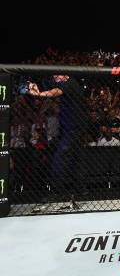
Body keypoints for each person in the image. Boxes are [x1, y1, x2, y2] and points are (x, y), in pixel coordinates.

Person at [27, 75, 88, 209]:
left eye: (57, 76)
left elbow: (55, 92)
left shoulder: (70, 83)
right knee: (77, 159)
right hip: (71, 128)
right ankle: (81, 189)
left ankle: (57, 192)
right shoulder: (62, 82)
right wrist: (35, 85)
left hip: (74, 128)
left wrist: (39, 94)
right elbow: (50, 84)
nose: (55, 78)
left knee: (59, 159)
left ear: (65, 75)